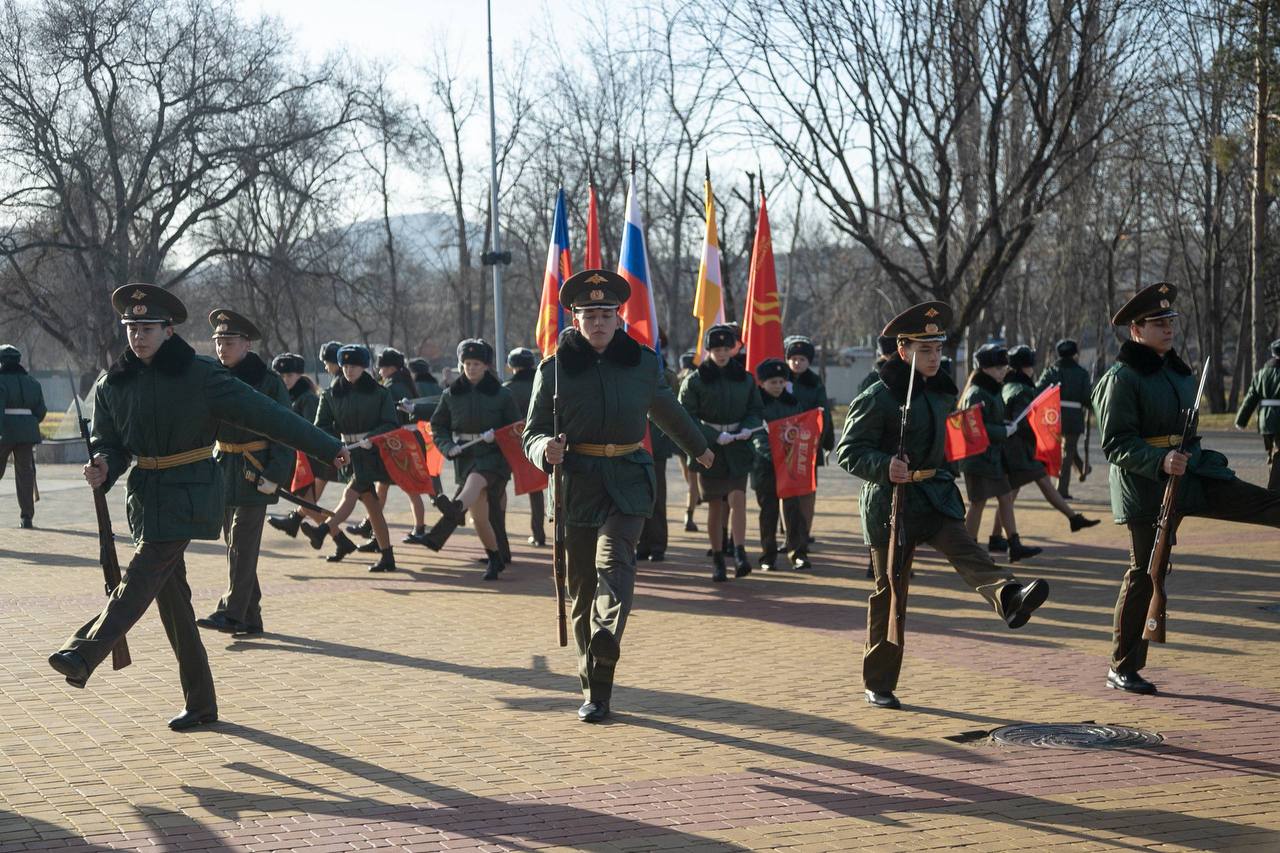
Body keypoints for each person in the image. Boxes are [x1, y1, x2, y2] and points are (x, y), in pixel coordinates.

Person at [47, 284, 346, 730]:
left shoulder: (200, 375)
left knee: (142, 573)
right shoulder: (114, 383)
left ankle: (84, 651)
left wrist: (325, 445)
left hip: (188, 493)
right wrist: (104, 464)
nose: (137, 336)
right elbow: (112, 444)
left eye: (147, 328)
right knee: (173, 603)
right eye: (131, 328)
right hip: (145, 496)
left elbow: (268, 414)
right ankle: (201, 702)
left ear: (168, 331)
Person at [836, 301, 1050, 709]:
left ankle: (1009, 597)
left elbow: (951, 444)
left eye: (937, 350)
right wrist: (885, 466)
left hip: (935, 496)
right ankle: (879, 681)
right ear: (903, 352)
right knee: (891, 591)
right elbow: (849, 451)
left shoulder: (941, 393)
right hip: (890, 503)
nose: (934, 359)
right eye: (924, 351)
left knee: (968, 550)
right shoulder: (878, 397)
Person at [523, 269, 713, 723]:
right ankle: (595, 690)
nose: (599, 322)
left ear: (618, 316)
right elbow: (531, 432)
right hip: (577, 485)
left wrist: (701, 449)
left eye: (607, 313)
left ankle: (607, 635)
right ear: (575, 320)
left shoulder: (643, 363)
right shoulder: (554, 368)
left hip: (628, 478)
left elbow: (669, 410)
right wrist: (542, 450)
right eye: (590, 315)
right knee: (582, 592)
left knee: (616, 561)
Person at [1093, 282, 1280, 694]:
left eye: (1170, 320)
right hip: (1145, 488)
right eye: (1158, 322)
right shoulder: (1121, 378)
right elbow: (1116, 443)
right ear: (1136, 330)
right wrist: (1158, 460)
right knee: (1145, 573)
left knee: (1264, 504)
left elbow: (1188, 433)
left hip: (1190, 474)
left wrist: (1200, 460)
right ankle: (1122, 665)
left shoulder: (1178, 371)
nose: (1168, 328)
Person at [197, 309, 295, 636]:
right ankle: (251, 616)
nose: (221, 348)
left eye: (228, 341)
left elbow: (286, 430)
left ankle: (231, 612)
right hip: (223, 467)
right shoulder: (214, 378)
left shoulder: (267, 383)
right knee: (235, 546)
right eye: (218, 342)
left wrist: (275, 474)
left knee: (240, 542)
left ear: (246, 344)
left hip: (255, 471)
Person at [422, 339, 519, 580]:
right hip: (465, 456)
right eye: (467, 363)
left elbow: (516, 429)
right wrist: (448, 446)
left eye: (476, 363)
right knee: (479, 518)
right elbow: (438, 426)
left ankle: (454, 507)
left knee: (476, 480)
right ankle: (495, 558)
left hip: (495, 459)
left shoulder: (502, 394)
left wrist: (496, 436)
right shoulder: (451, 394)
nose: (471, 368)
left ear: (486, 365)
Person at [987, 345, 1100, 551]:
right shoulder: (1022, 389)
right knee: (1022, 487)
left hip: (1028, 438)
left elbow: (1039, 390)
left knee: (1010, 492)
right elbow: (1024, 419)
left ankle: (998, 536)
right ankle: (1071, 516)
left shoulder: (1022, 381)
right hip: (1025, 445)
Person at [679, 324, 764, 581]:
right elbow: (685, 416)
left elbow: (755, 409)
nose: (722, 353)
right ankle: (717, 558)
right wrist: (714, 436)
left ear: (733, 348)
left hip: (738, 447)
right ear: (708, 351)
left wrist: (748, 428)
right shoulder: (696, 380)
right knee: (715, 505)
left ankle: (739, 552)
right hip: (709, 451)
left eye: (726, 348)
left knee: (738, 500)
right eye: (717, 349)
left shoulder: (745, 378)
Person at [311, 345, 399, 572]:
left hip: (371, 454)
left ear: (364, 367)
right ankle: (387, 556)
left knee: (350, 493)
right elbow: (321, 427)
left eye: (354, 366)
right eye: (345, 366)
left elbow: (391, 423)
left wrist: (372, 436)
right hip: (347, 454)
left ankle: (324, 529)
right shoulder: (331, 394)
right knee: (373, 506)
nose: (349, 370)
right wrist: (335, 446)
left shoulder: (380, 393)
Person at [958, 344, 1041, 562]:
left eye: (1004, 366)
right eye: (998, 367)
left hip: (991, 456)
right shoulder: (976, 393)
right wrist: (1003, 430)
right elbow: (974, 428)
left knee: (1005, 496)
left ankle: (1014, 545)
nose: (1003, 370)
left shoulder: (991, 388)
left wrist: (1003, 425)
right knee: (977, 503)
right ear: (985, 368)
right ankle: (969, 550)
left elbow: (989, 421)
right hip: (977, 457)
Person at [266, 352, 337, 541]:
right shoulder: (285, 396)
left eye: (289, 375)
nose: (285, 379)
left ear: (299, 375)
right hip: (295, 459)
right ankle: (337, 539)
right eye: (281, 376)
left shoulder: (307, 398)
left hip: (307, 460)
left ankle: (341, 539)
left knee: (307, 504)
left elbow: (309, 430)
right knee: (307, 503)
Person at [361, 347, 427, 546]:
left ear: (390, 369)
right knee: (386, 485)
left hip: (398, 440)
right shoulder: (404, 383)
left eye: (382, 368)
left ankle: (416, 528)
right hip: (407, 437)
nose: (380, 371)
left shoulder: (391, 387)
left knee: (407, 486)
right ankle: (372, 526)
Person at [752, 358, 812, 571]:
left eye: (780, 382)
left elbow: (802, 428)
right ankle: (768, 556)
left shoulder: (792, 403)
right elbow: (756, 435)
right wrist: (775, 453)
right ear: (762, 383)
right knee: (768, 511)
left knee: (794, 510)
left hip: (790, 465)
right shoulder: (756, 404)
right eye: (772, 382)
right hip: (765, 466)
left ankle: (798, 552)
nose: (777, 386)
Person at [785, 335, 833, 546]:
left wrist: (825, 441)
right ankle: (789, 536)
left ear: (809, 361)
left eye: (802, 359)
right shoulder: (779, 379)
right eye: (793, 358)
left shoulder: (815, 383)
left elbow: (824, 414)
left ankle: (804, 533)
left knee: (807, 492)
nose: (797, 362)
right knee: (786, 491)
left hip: (808, 445)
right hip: (784, 445)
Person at [1036, 339, 1093, 498]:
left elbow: (1038, 390)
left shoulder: (1051, 371)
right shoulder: (1082, 373)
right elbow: (1086, 398)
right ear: (1075, 354)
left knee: (1067, 449)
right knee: (1068, 452)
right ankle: (1062, 489)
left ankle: (1081, 468)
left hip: (1053, 416)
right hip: (1073, 417)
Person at [0, 345, 47, 528]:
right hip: (27, 433)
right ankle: (27, 516)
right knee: (25, 475)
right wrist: (27, 423)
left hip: (4, 432)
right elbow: (41, 411)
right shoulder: (33, 383)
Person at [505, 346, 547, 547]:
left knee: (498, 489)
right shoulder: (544, 382)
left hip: (513, 444)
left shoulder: (507, 389)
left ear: (511, 366)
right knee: (539, 490)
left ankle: (500, 537)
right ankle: (541, 533)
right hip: (544, 441)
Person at [1234, 338, 1280, 491]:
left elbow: (1251, 397)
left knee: (1273, 454)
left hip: (1266, 421)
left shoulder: (1262, 373)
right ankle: (1274, 491)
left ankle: (1273, 486)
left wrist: (1241, 420)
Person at [676, 350, 701, 532]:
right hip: (696, 434)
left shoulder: (677, 379)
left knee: (689, 476)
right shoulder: (696, 381)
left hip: (679, 435)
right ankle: (689, 514)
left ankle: (690, 511)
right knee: (693, 479)